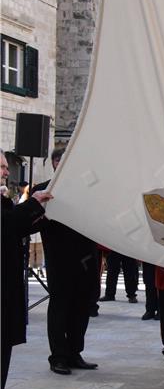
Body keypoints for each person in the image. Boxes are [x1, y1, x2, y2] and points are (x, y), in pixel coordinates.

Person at [31, 149, 101, 375]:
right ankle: (58, 357)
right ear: (53, 164)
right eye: (58, 162)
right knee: (60, 307)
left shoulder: (88, 189)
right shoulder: (42, 190)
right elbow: (33, 222)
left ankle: (74, 352)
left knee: (82, 307)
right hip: (59, 259)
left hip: (86, 258)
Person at [1, 149, 52, 389]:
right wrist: (31, 204)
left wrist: (40, 212)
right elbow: (5, 225)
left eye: (6, 167)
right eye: (2, 167)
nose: (7, 172)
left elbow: (14, 229)